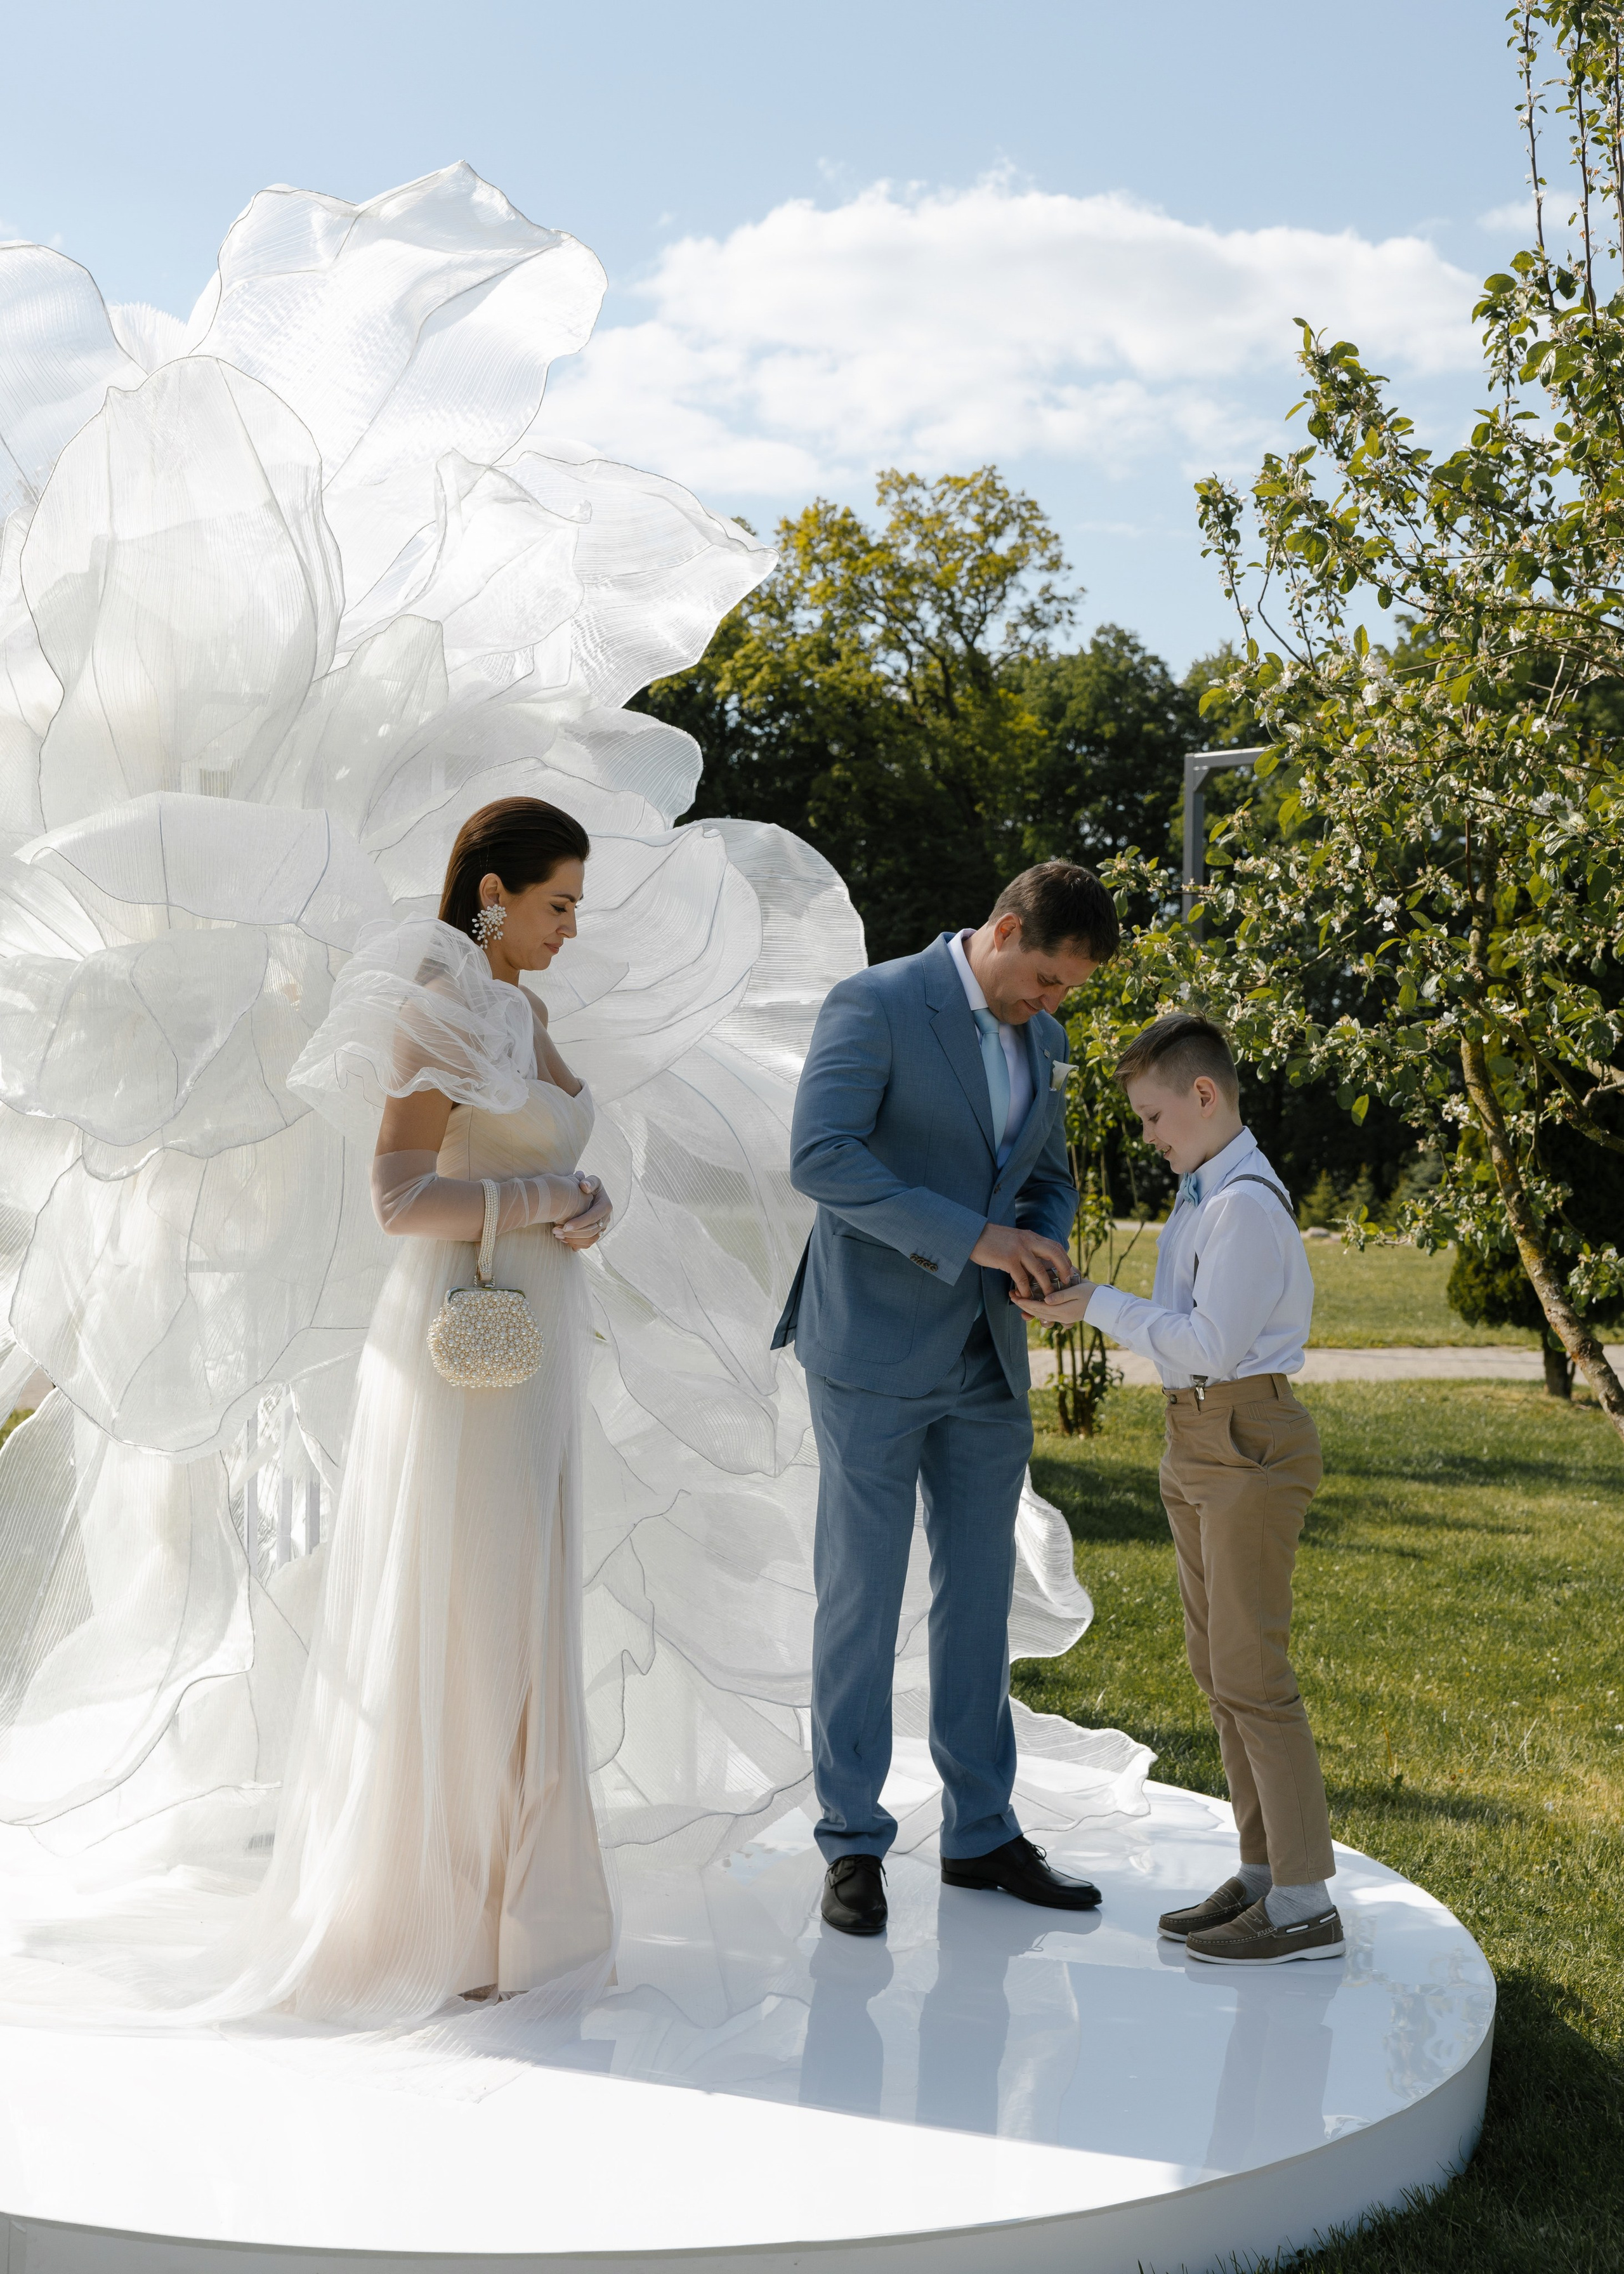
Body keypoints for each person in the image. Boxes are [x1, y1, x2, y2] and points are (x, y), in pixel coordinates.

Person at [232, 796, 619, 2019]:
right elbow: (399, 1197)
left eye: (577, 906)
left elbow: (538, 1165)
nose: (571, 927)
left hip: (540, 1334)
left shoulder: (531, 1012)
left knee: (527, 1594)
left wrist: (586, 1202)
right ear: (494, 894)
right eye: (559, 903)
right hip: (470, 1344)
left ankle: (520, 1902)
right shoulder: (438, 1006)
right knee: (470, 1598)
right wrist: (545, 1193)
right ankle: (434, 1909)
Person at [773, 862, 1120, 1936]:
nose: (1053, 1005)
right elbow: (820, 1157)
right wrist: (977, 1238)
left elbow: (1048, 1172)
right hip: (870, 1347)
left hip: (987, 1356)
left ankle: (980, 1834)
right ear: (1004, 928)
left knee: (979, 1598)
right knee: (862, 1601)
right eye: (1047, 978)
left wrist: (1046, 1235)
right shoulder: (873, 1002)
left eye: (1068, 991)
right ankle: (852, 1843)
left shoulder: (1048, 1042)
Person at [1018, 1013, 1342, 1966]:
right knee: (1219, 1672)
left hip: (1245, 1435)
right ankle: (1262, 1873)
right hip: (1201, 1437)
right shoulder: (1208, 1194)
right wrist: (1095, 1303)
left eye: (1156, 1116)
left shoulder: (1242, 1203)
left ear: (1205, 1096)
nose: (1151, 1136)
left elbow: (1209, 1344)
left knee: (1255, 1678)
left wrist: (1093, 1306)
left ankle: (1307, 1901)